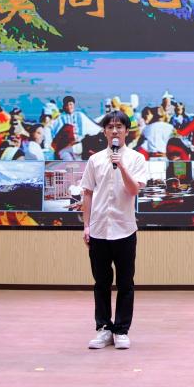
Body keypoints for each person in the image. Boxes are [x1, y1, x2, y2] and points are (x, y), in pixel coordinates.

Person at [81, 110, 146, 350]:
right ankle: (103, 328)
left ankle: (121, 330)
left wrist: (122, 166)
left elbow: (134, 190)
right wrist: (86, 225)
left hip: (124, 229)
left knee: (126, 283)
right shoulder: (95, 160)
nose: (115, 130)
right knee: (101, 283)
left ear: (127, 131)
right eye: (110, 127)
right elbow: (87, 192)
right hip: (98, 229)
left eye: (119, 126)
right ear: (105, 132)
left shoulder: (136, 158)